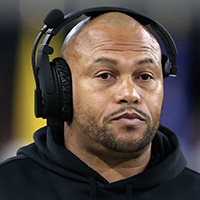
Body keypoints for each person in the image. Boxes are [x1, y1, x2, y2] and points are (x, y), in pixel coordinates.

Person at [0, 8, 200, 200]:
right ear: (61, 89)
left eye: (145, 76)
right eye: (105, 75)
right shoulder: (7, 188)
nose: (130, 94)